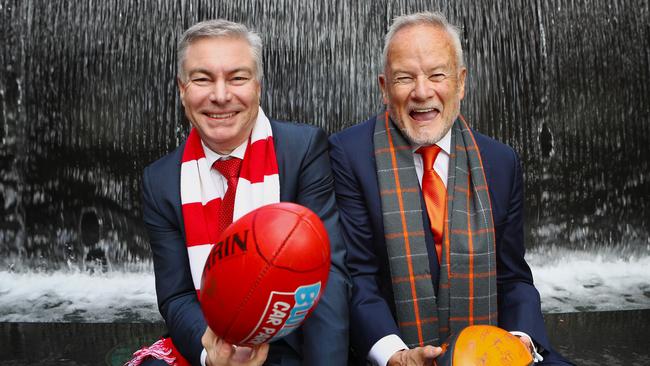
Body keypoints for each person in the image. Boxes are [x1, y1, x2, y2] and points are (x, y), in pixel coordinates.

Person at [328, 12, 572, 366]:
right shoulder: (348, 154)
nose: (422, 92)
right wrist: (394, 354)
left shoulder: (501, 162)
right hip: (396, 348)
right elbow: (358, 277)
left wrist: (518, 341)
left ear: (460, 83)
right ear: (384, 88)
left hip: (488, 351)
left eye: (437, 75)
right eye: (404, 78)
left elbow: (513, 276)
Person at [130, 19, 349, 366]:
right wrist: (212, 354)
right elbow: (177, 296)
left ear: (258, 85)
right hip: (211, 341)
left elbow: (328, 275)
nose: (220, 96)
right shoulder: (160, 181)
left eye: (237, 78)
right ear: (182, 88)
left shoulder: (302, 150)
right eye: (202, 79)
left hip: (291, 348)